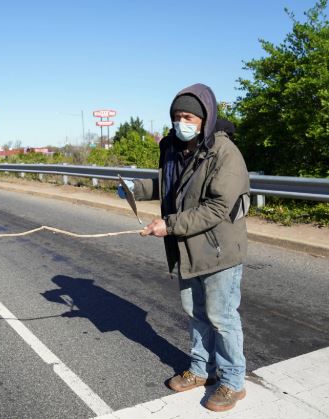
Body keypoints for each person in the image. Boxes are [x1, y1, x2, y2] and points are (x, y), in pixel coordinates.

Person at [118, 83, 250, 412]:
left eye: (188, 116)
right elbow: (169, 187)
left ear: (205, 118)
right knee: (196, 314)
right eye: (177, 116)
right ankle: (201, 369)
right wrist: (136, 188)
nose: (181, 122)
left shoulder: (224, 152)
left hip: (219, 251)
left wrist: (170, 225)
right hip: (188, 250)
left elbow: (218, 208)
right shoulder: (175, 148)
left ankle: (233, 381)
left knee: (222, 317)